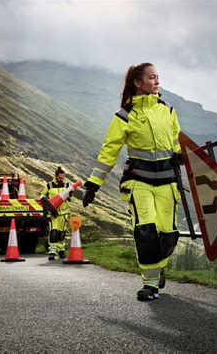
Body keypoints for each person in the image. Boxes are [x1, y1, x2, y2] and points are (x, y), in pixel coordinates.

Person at [83, 63, 183, 301]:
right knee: (145, 230)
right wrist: (93, 184)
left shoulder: (168, 110)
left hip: (168, 183)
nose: (157, 81)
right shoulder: (124, 116)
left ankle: (157, 268)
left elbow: (176, 140)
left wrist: (178, 153)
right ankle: (150, 283)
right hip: (139, 183)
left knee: (169, 233)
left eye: (158, 77)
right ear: (138, 83)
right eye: (152, 78)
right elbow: (109, 152)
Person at [41, 166, 72, 260]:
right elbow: (42, 197)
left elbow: (70, 199)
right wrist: (49, 207)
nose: (62, 180)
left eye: (63, 178)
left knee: (61, 234)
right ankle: (52, 253)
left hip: (63, 214)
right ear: (56, 176)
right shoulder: (49, 185)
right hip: (52, 214)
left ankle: (61, 251)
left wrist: (70, 195)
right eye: (60, 178)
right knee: (53, 233)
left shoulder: (67, 185)